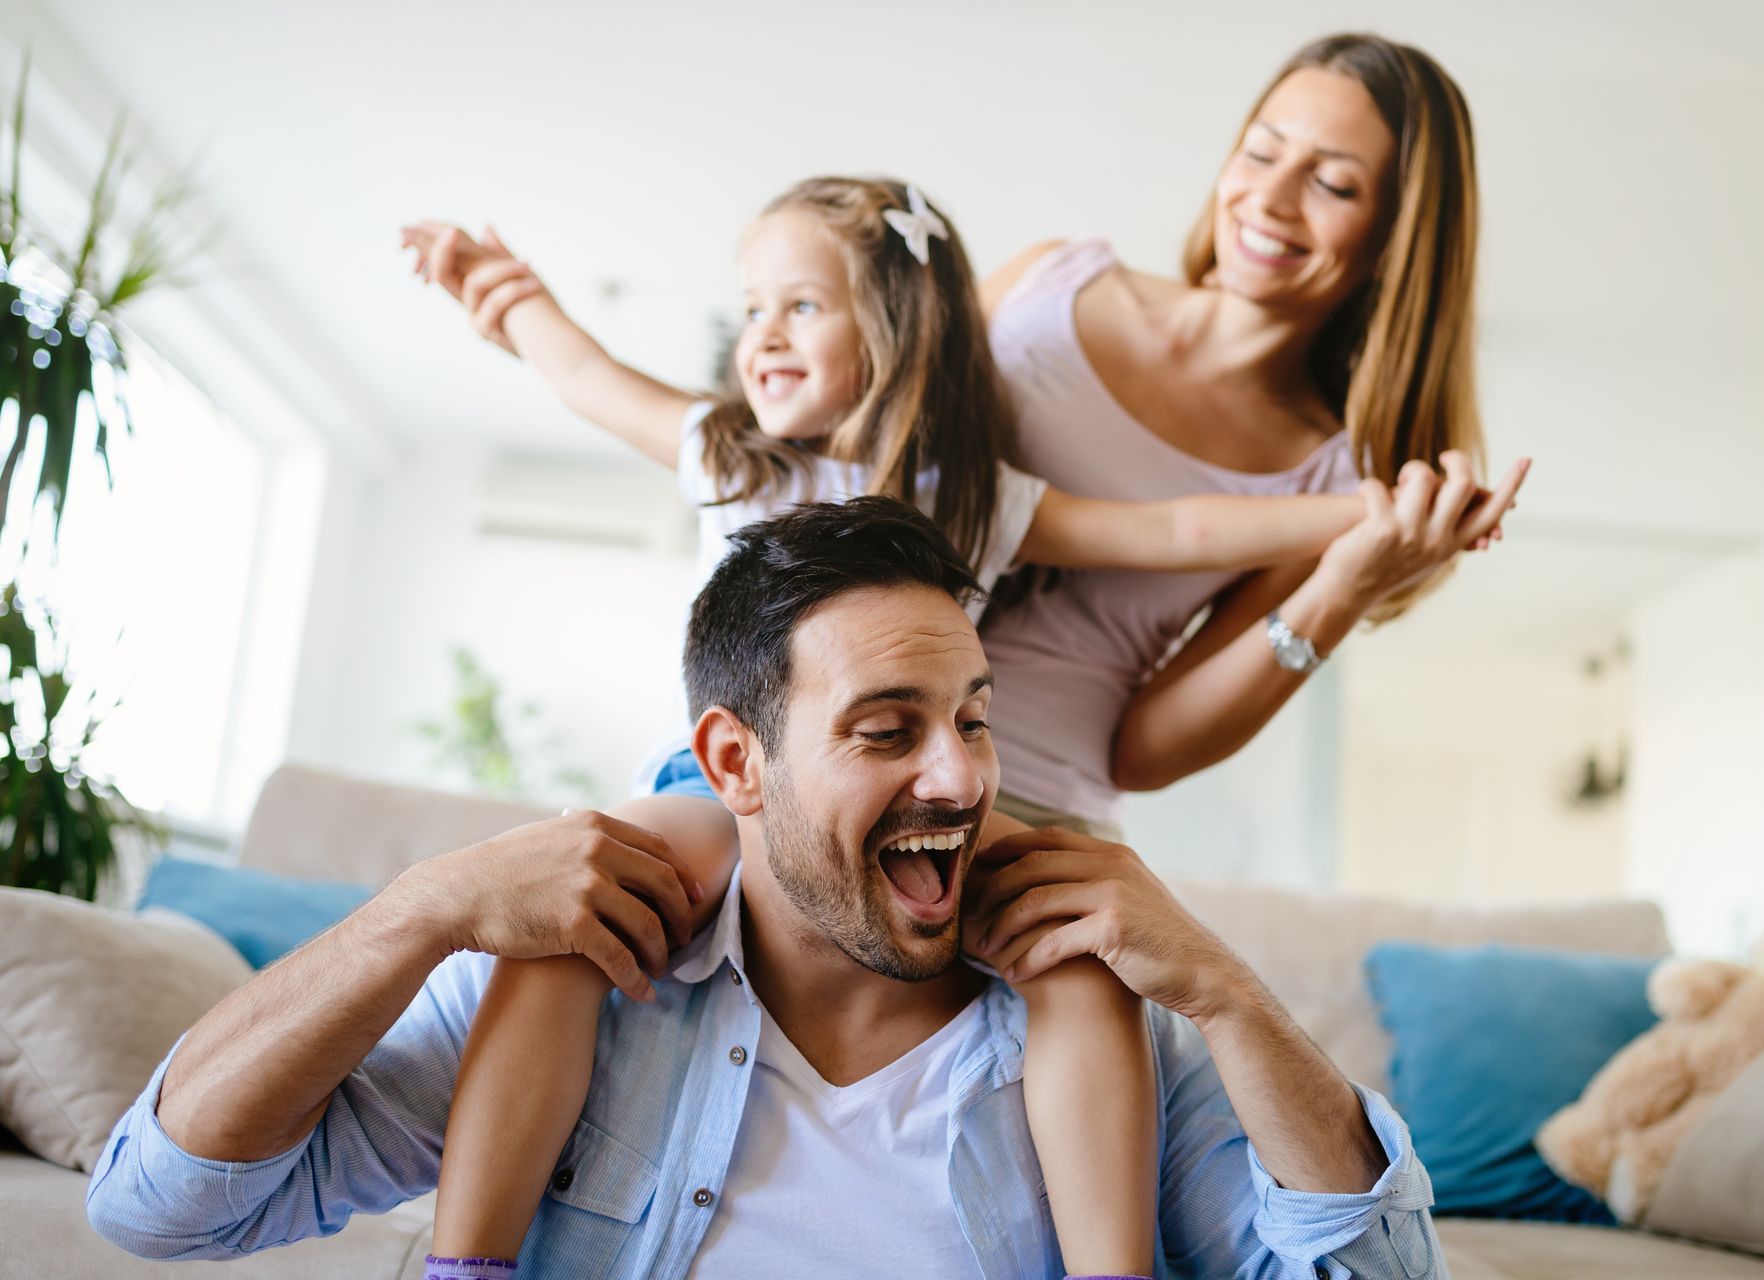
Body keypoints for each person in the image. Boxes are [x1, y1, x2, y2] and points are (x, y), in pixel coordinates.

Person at [396, 176, 1510, 1276]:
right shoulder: (731, 449)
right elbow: (587, 375)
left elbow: (1179, 523)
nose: (761, 336)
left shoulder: (980, 495)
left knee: (1082, 967)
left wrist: (1379, 515)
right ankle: (468, 1262)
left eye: (798, 305)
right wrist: (509, 296)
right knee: (571, 917)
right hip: (717, 794)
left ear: (889, 328)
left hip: (936, 824)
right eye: (751, 309)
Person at [87, 498, 1449, 1279]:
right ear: (734, 761)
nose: (960, 778)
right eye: (886, 729)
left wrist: (1225, 992)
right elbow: (158, 1205)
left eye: (975, 719)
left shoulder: (1100, 1007)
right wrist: (420, 908)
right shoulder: (588, 975)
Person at [977, 32, 1524, 833]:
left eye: (1333, 185)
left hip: (1027, 808)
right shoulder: (1044, 282)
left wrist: (1344, 588)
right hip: (830, 741)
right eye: (1261, 153)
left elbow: (1144, 754)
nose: (1269, 200)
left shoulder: (1330, 479)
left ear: (1393, 242)